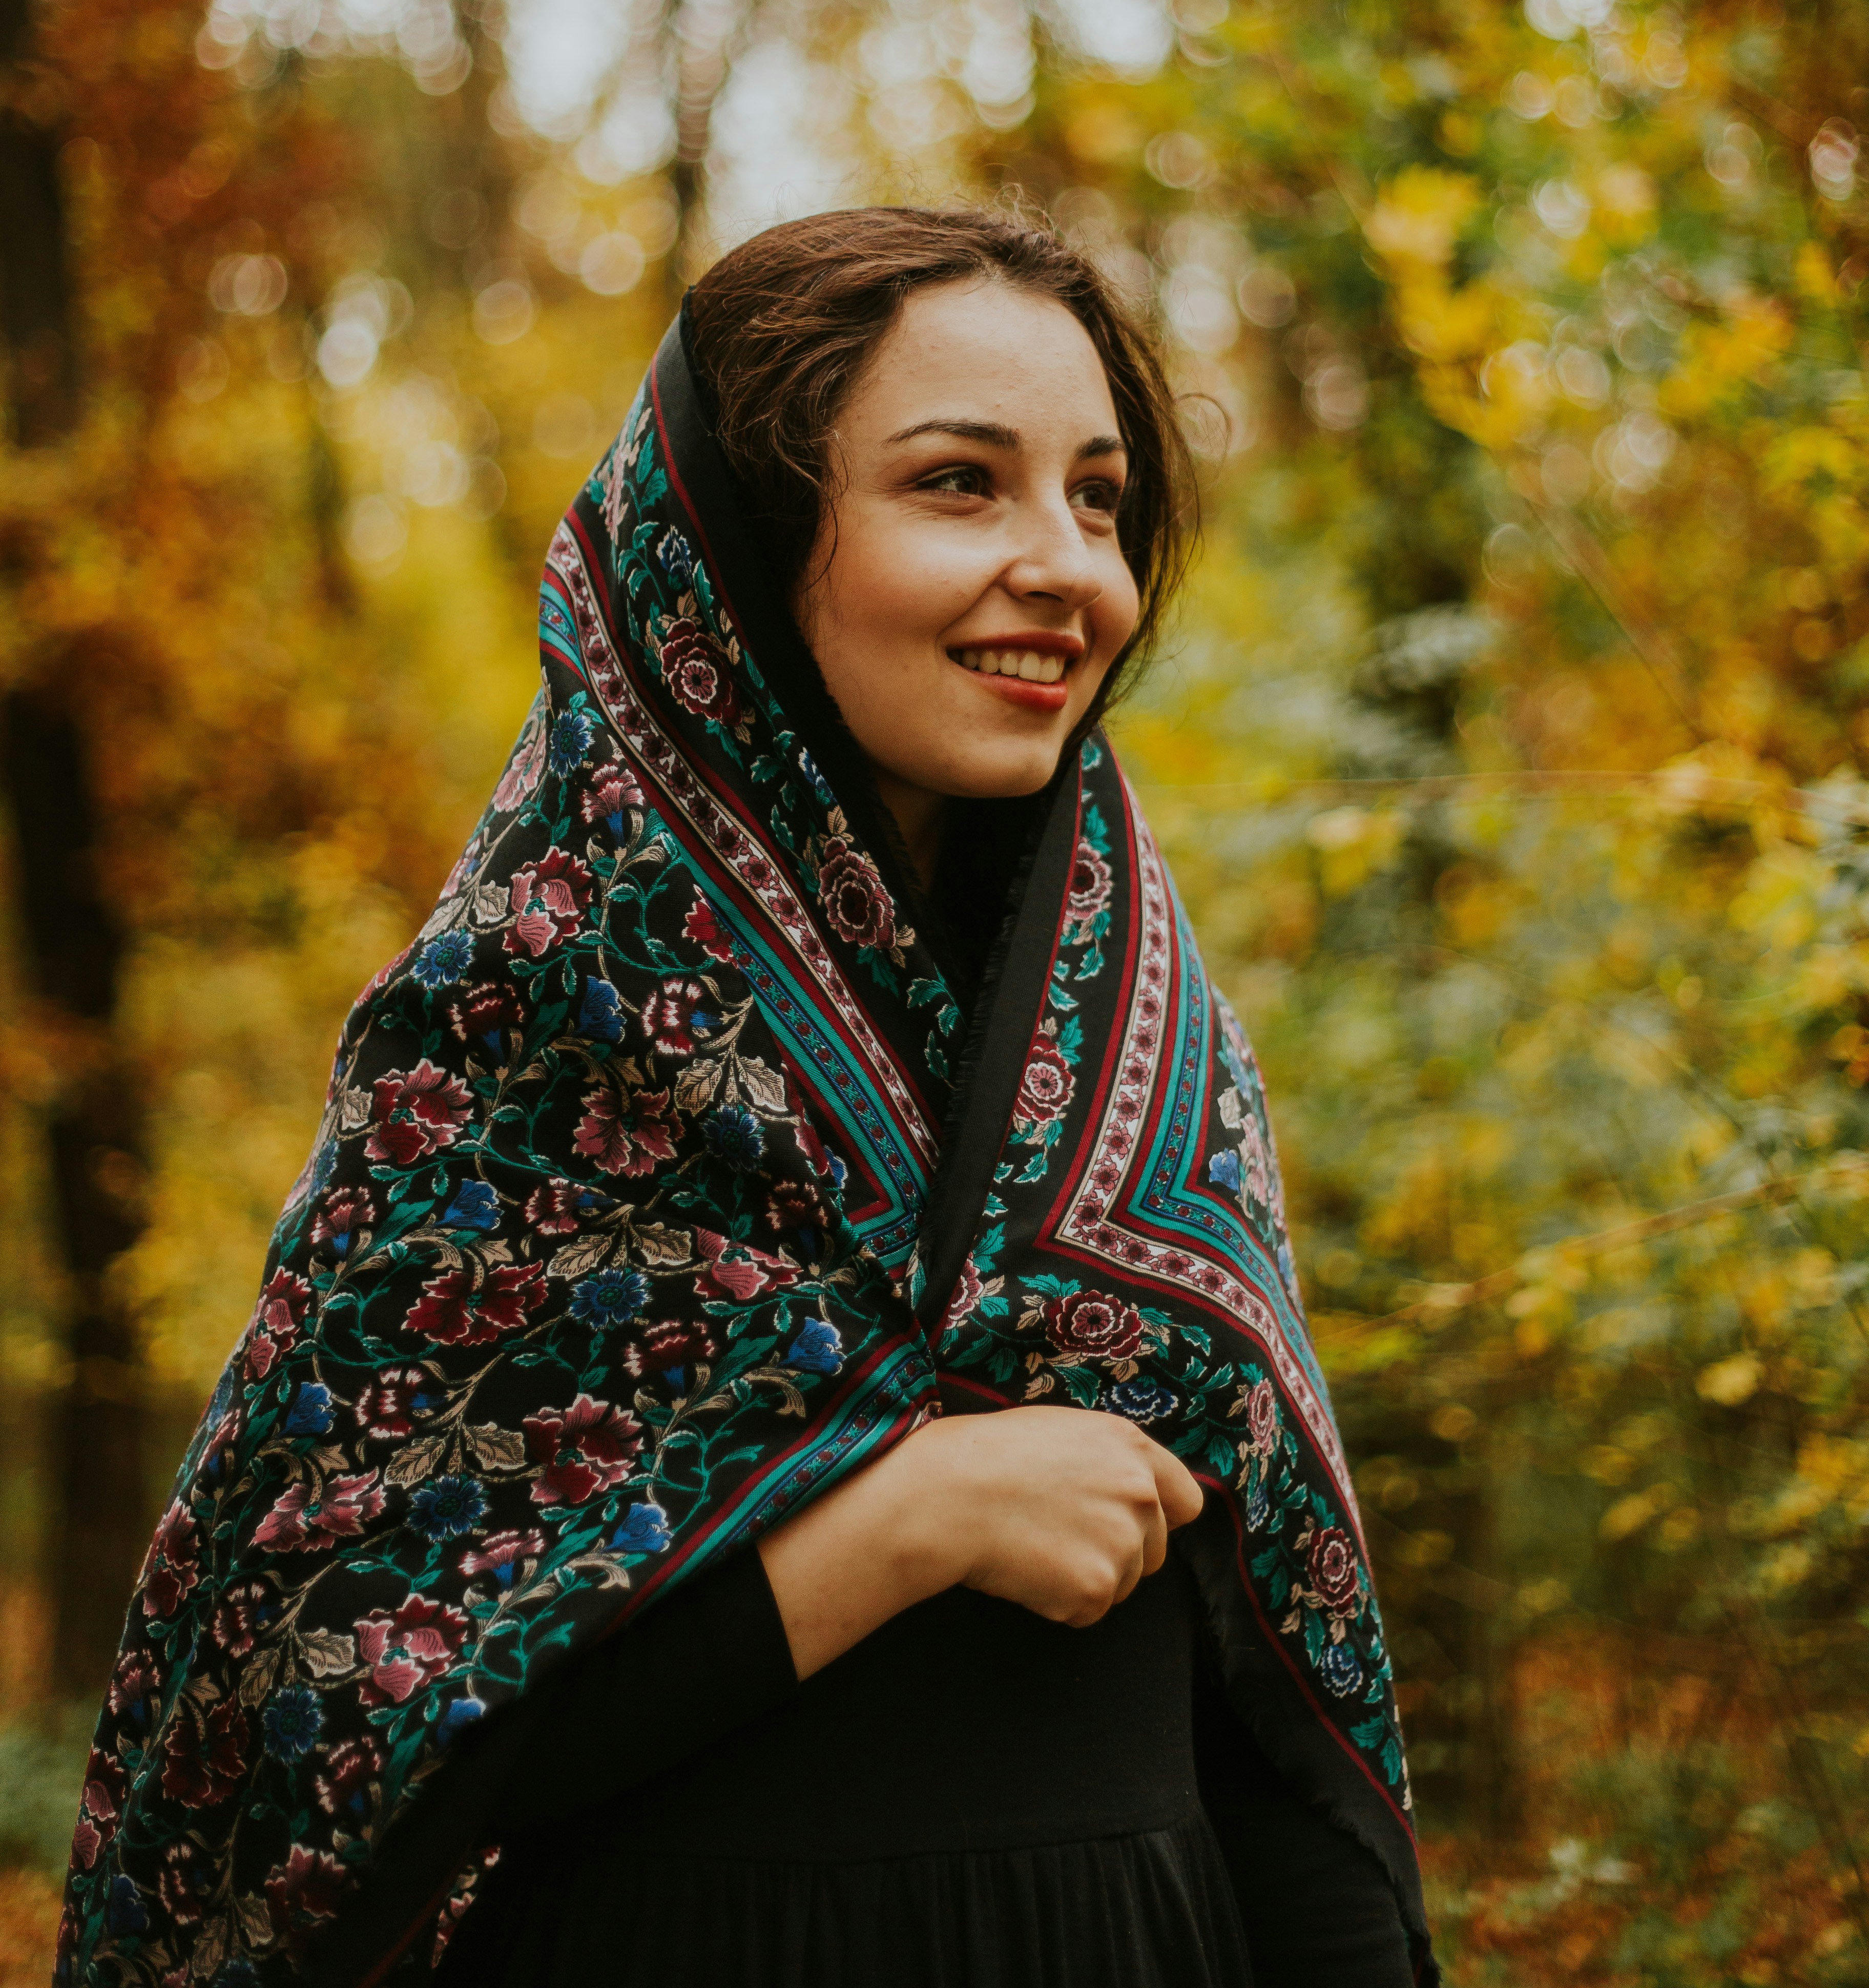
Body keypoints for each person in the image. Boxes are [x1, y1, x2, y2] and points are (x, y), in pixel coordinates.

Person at [60, 206, 1434, 1988]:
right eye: (960, 483)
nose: (1069, 567)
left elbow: (1276, 1700)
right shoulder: (517, 1036)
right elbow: (312, 1739)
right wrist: (898, 1524)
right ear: (735, 548)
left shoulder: (1152, 1056)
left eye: (1098, 498)